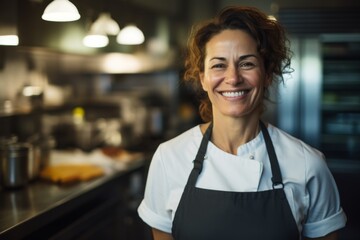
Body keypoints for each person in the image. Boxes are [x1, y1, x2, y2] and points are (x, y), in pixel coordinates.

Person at [137, 5, 347, 240]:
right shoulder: (169, 158)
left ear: (267, 75)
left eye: (247, 63)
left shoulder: (308, 164)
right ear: (203, 79)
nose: (233, 78)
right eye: (219, 65)